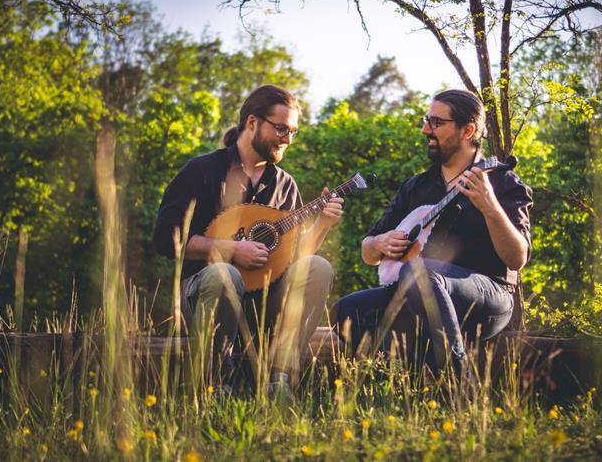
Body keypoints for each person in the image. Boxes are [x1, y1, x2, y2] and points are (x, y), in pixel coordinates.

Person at [153, 85, 344, 397]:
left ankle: (279, 381)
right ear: (253, 123)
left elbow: (294, 258)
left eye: (294, 131)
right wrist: (230, 249)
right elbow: (165, 239)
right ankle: (214, 387)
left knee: (318, 267)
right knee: (224, 274)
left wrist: (323, 224)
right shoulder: (202, 170)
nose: (288, 139)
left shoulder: (284, 185)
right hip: (204, 297)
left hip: (264, 304)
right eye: (281, 128)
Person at [330, 89, 532, 378]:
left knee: (421, 272)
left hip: (488, 297)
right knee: (346, 311)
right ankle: (416, 375)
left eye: (436, 123)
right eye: (427, 120)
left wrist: (490, 207)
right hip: (415, 294)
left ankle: (458, 383)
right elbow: (367, 252)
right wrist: (381, 242)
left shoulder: (501, 182)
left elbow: (517, 258)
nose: (426, 129)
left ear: (468, 130)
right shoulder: (417, 186)